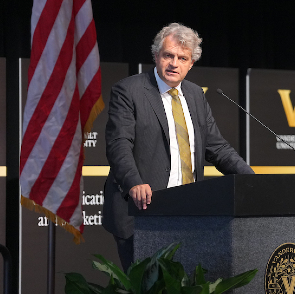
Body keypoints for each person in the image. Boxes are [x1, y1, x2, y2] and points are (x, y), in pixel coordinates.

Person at [102, 22, 254, 271]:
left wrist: (251, 179)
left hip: (188, 213)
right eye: (168, 55)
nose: (174, 63)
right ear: (156, 56)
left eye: (182, 58)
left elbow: (217, 147)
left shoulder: (195, 94)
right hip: (142, 213)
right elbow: (119, 144)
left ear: (191, 63)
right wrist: (134, 183)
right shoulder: (129, 91)